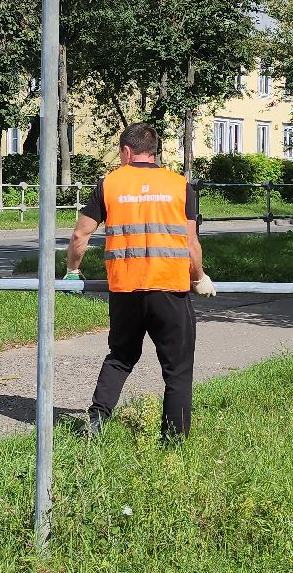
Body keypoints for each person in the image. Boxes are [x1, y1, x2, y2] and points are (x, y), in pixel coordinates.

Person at [65, 123, 217, 441]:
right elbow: (191, 243)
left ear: (126, 151)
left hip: (125, 289)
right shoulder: (180, 185)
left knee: (121, 356)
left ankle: (96, 422)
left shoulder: (109, 184)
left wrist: (72, 272)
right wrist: (199, 277)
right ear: (153, 151)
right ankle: (173, 440)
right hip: (170, 289)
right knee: (177, 369)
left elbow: (80, 235)